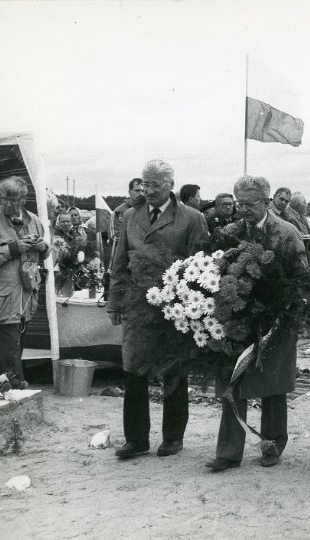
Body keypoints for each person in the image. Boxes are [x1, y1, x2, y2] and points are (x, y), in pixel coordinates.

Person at [206, 176, 310, 472]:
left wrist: (290, 314)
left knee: (273, 385)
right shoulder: (229, 232)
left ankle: (272, 446)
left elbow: (302, 280)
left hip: (276, 320)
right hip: (236, 318)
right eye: (239, 204)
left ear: (266, 202)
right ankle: (228, 452)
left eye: (250, 204)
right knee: (231, 381)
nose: (243, 210)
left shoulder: (288, 233)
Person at [108, 159, 209, 459]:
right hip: (137, 304)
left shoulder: (191, 218)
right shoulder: (129, 216)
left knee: (173, 371)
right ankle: (136, 439)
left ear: (170, 186)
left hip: (173, 308)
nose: (147, 190)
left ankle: (173, 438)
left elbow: (201, 267)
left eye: (154, 185)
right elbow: (119, 261)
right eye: (144, 183)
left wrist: (193, 308)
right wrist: (115, 301)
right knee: (133, 370)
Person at [0, 176, 48, 382]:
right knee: (11, 349)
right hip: (2, 298)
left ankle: (0, 393)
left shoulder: (34, 221)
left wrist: (42, 247)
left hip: (26, 298)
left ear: (24, 199)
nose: (8, 204)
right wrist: (12, 248)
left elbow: (47, 250)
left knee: (13, 350)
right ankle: (18, 392)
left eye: (14, 200)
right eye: (4, 199)